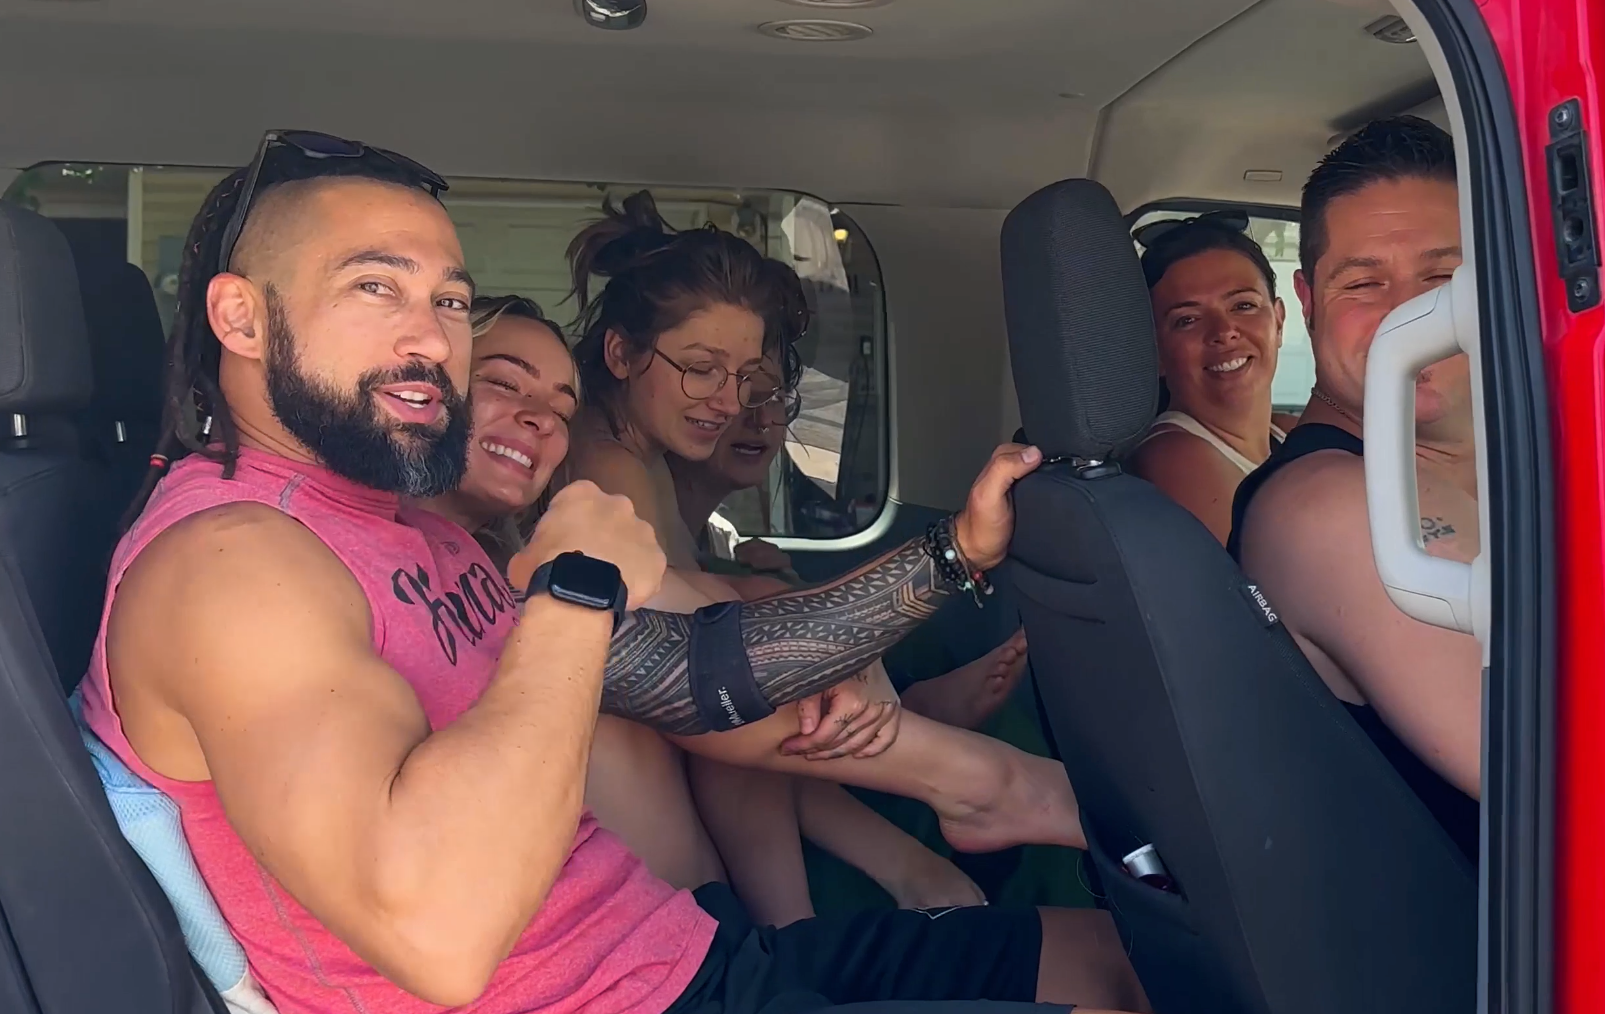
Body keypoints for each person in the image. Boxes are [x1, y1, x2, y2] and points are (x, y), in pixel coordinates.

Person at [78, 131, 1146, 1014]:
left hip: (684, 962)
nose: (427, 340)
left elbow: (688, 678)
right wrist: (574, 589)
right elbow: (437, 933)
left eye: (450, 301)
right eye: (375, 288)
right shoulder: (232, 565)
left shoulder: (409, 528)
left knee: (1117, 963)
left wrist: (951, 556)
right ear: (239, 317)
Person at [557, 194, 1069, 928]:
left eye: (746, 378)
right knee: (734, 669)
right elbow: (680, 644)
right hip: (631, 741)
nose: (727, 401)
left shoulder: (642, 459)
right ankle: (824, 909)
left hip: (688, 718)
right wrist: (821, 653)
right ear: (620, 354)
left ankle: (904, 853)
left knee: (755, 623)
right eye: (700, 369)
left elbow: (704, 599)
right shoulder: (606, 471)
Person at [438, 296, 986, 913]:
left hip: (697, 918)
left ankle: (958, 799)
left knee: (732, 646)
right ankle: (966, 802)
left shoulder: (519, 541)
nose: (731, 404)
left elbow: (705, 604)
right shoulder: (589, 493)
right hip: (667, 932)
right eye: (503, 382)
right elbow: (697, 635)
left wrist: (815, 646)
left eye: (562, 407)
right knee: (709, 682)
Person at [1228, 115, 1480, 862]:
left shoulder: (1507, 467)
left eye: (1441, 276)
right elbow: (1562, 772)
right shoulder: (1336, 508)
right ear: (1307, 301)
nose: (1410, 313)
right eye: (1365, 282)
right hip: (1495, 961)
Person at [666, 382, 1029, 732]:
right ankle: (916, 713)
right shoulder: (649, 550)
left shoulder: (721, 537)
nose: (760, 419)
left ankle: (912, 704)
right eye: (742, 395)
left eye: (775, 396)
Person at [1126, 211, 1288, 543]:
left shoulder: (1287, 431)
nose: (1225, 331)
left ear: (1279, 322)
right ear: (1154, 352)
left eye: (1243, 306)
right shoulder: (1172, 460)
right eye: (1187, 320)